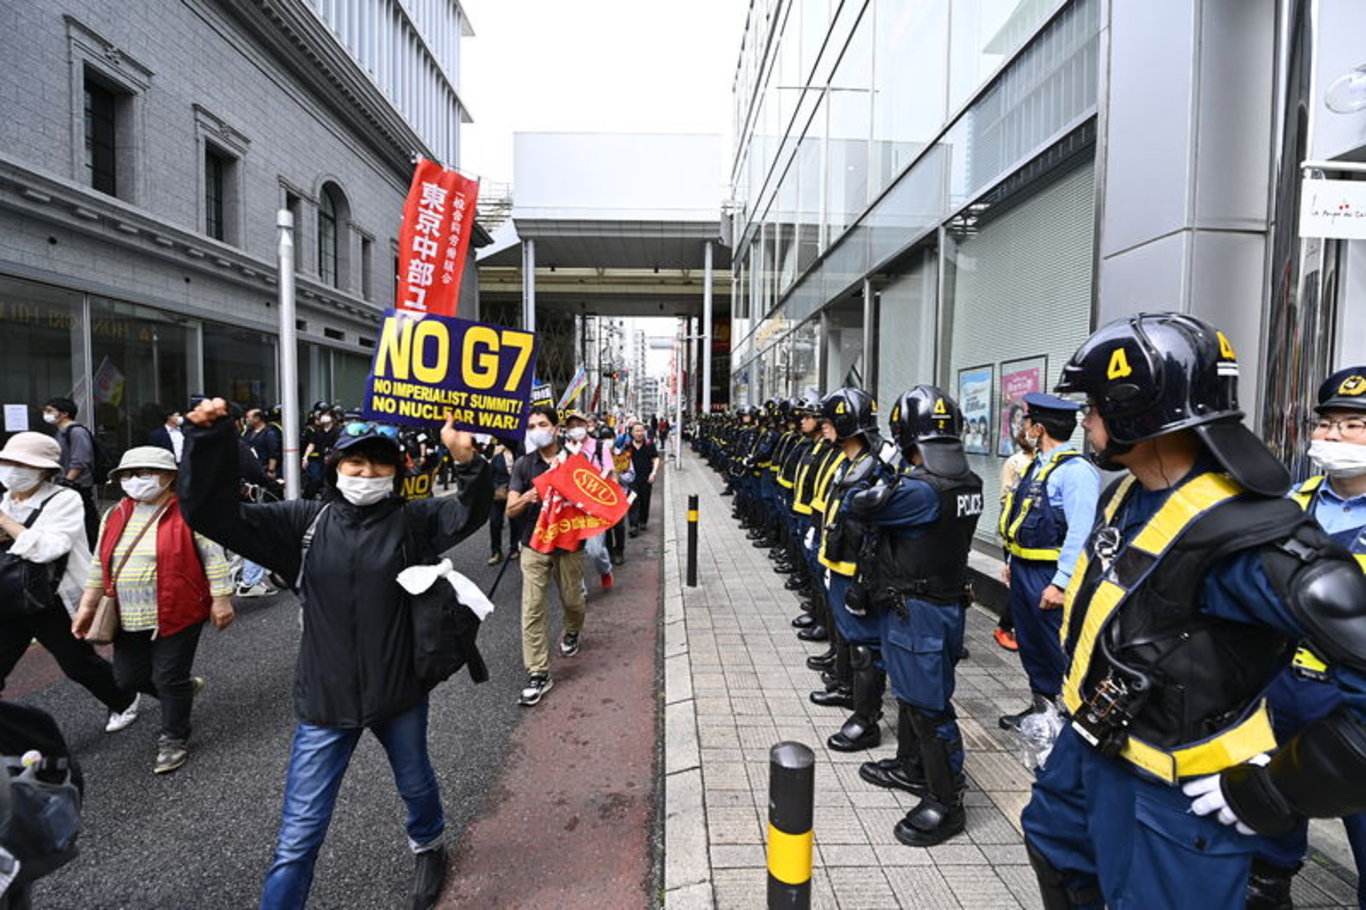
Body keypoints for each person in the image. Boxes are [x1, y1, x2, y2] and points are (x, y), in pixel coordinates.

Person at [1020, 313, 1366, 908]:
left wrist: (1274, 789)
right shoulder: (1129, 490)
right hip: (1092, 752)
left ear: (1136, 413)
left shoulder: (1250, 538)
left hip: (1178, 794)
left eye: (1094, 408)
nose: (1085, 422)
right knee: (1053, 848)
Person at [178, 401, 491, 910]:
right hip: (324, 701)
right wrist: (208, 439)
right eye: (355, 463)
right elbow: (210, 514)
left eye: (380, 464)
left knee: (416, 783)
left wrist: (469, 464)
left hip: (400, 693)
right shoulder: (302, 523)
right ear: (335, 467)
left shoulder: (414, 520)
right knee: (298, 836)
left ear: (397, 470)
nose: (367, 473)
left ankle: (430, 846)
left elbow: (467, 513)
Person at [1247, 365, 1366, 908]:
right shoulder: (1292, 503)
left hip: (1354, 700)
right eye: (1328, 423)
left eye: (1353, 425)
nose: (1334, 436)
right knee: (1272, 811)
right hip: (1281, 687)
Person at [853, 386, 984, 847]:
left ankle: (945, 802)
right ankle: (911, 767)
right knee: (914, 698)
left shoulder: (919, 490)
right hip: (937, 606)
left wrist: (885, 462)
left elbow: (857, 502)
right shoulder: (968, 483)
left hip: (918, 613)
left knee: (930, 710)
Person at [72, 445, 236, 774]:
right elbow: (99, 563)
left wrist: (221, 598)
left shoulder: (189, 511)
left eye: (145, 473)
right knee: (127, 676)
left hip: (178, 610)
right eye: (129, 474)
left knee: (167, 675)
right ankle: (181, 690)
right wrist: (86, 606)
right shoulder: (116, 513)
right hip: (126, 614)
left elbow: (213, 557)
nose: (136, 480)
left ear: (169, 477)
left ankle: (174, 738)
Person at [0, 432, 138, 733]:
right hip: (9, 597)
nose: (10, 469)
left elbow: (49, 548)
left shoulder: (64, 499)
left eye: (20, 464)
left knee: (78, 665)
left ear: (44, 470)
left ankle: (125, 699)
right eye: (6, 462)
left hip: (52, 598)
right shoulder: (6, 500)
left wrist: (6, 523)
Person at [997, 393, 1100, 730]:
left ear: (1038, 428)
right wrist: (1012, 559)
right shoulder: (1037, 466)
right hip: (1025, 570)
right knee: (1031, 644)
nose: (1023, 427)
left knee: (1056, 647)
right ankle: (1041, 710)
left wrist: (1062, 582)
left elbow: (1081, 533)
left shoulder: (1076, 472)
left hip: (1049, 576)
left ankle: (1069, 719)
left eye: (1027, 422)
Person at [813, 388, 888, 752]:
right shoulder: (849, 461)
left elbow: (877, 529)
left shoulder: (876, 466)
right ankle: (852, 698)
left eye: (829, 421)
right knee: (850, 640)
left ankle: (866, 720)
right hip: (839, 563)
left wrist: (864, 579)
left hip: (858, 570)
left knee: (865, 648)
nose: (824, 427)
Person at [507, 405, 586, 706]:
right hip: (533, 544)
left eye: (542, 424)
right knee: (532, 608)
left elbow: (592, 503)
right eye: (531, 426)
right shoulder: (524, 465)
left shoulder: (575, 460)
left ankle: (572, 630)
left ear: (555, 428)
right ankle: (538, 671)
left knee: (573, 600)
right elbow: (510, 508)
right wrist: (528, 496)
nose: (536, 430)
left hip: (568, 545)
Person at [993, 424, 1035, 652]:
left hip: (1034, 530)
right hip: (1015, 527)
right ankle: (1005, 626)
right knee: (1017, 578)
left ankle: (1018, 626)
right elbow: (1005, 496)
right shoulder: (1015, 462)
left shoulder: (1046, 461)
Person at [563, 411, 614, 590]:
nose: (575, 429)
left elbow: (608, 470)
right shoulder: (565, 449)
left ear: (586, 426)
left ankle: (605, 570)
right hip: (572, 506)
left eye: (579, 424)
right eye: (571, 426)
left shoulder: (600, 446)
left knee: (595, 550)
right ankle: (580, 589)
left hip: (596, 505)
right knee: (573, 551)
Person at [42, 397, 99, 547]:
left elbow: (80, 459)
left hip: (77, 485)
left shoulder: (77, 431)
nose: (46, 414)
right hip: (65, 483)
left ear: (64, 414)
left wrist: (68, 481)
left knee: (87, 522)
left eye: (50, 411)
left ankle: (93, 551)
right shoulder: (62, 432)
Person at [485, 436, 517, 565]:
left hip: (514, 493)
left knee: (515, 522)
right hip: (498, 494)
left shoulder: (521, 455)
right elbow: (489, 475)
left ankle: (514, 548)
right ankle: (495, 552)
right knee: (495, 522)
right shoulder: (497, 456)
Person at [625, 421, 661, 537]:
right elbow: (622, 461)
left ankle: (643, 521)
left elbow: (655, 459)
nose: (639, 433)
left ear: (644, 432)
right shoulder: (627, 446)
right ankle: (633, 525)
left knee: (645, 500)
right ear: (632, 432)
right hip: (632, 479)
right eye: (636, 431)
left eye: (641, 430)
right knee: (633, 501)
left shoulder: (649, 444)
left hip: (646, 477)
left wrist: (654, 472)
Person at [243, 408, 283, 481]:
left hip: (264, 469)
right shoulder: (248, 433)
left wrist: (271, 470)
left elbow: (273, 453)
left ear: (257, 418)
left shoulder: (269, 433)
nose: (246, 419)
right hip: (252, 470)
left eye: (248, 417)